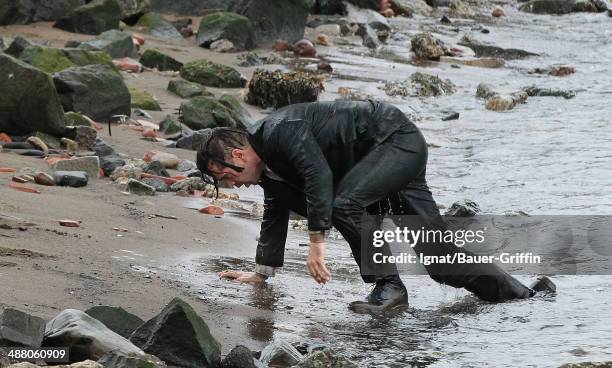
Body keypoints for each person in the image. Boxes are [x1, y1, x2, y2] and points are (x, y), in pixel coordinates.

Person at [196, 100, 536, 313]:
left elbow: (317, 173)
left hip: (394, 140)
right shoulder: (269, 174)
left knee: (343, 203)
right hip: (377, 164)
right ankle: (526, 298)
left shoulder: (277, 132)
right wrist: (261, 274)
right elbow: (275, 213)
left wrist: (317, 240)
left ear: (238, 155)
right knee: (440, 261)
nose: (230, 183)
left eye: (224, 175)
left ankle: (389, 286)